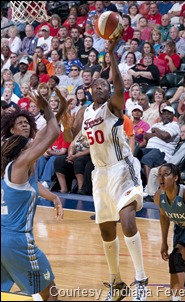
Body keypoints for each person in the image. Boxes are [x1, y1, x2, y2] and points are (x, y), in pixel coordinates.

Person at [64, 28, 148, 301]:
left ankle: (141, 280)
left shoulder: (113, 107)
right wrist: (64, 119)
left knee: (127, 221)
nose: (103, 87)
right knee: (106, 230)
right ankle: (117, 283)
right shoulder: (83, 111)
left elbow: (120, 87)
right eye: (97, 85)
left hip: (123, 167)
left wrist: (111, 54)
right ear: (89, 90)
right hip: (100, 175)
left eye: (106, 85)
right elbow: (69, 136)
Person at [1, 88, 67, 301]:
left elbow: (32, 184)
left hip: (4, 234)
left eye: (26, 122)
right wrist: (46, 107)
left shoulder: (11, 162)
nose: (25, 125)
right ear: (11, 131)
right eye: (20, 123)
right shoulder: (21, 159)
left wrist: (53, 197)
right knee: (51, 293)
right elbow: (53, 132)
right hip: (16, 239)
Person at [153, 163, 185, 302]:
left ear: (175, 177)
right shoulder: (158, 197)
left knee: (176, 258)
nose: (161, 177)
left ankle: (175, 299)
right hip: (181, 230)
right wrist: (163, 243)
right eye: (159, 175)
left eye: (166, 174)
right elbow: (164, 217)